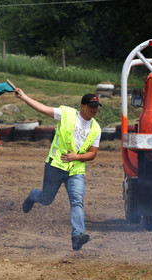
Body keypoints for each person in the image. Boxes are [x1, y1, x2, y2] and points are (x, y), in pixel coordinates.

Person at [14, 88, 102, 250]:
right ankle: (34, 195)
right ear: (82, 106)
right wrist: (24, 97)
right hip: (55, 165)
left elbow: (93, 154)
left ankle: (77, 235)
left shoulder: (96, 129)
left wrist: (76, 157)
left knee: (77, 201)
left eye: (96, 106)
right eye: (91, 106)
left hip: (75, 171)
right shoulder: (67, 114)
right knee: (46, 199)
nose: (94, 109)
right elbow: (42, 108)